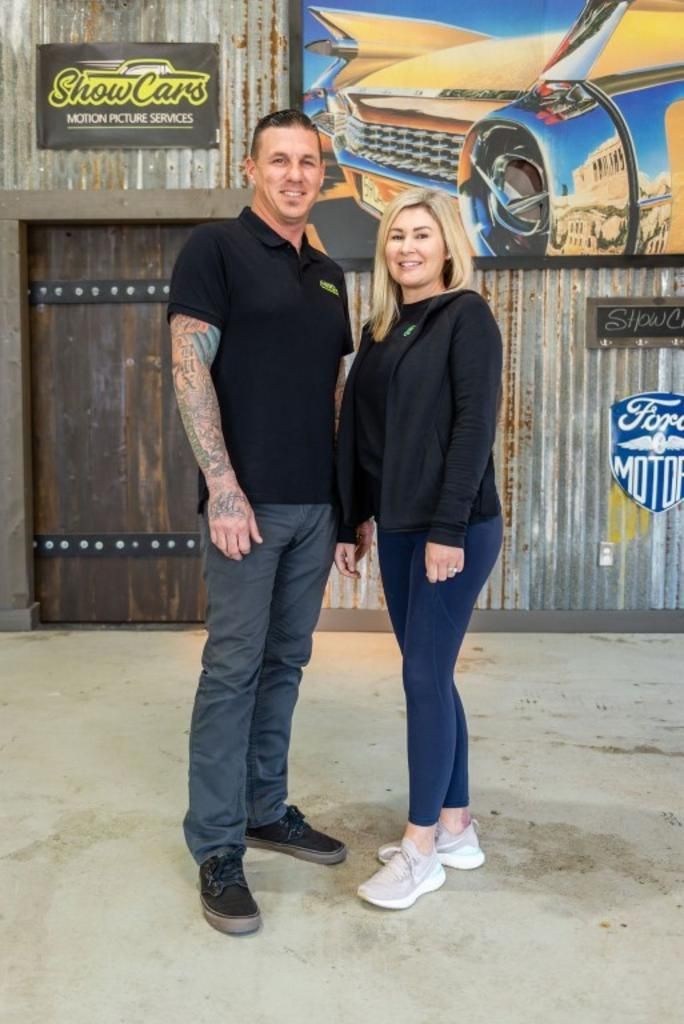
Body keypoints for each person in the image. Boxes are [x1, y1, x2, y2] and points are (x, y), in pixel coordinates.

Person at [168, 109, 353, 936]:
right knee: (233, 668)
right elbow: (187, 367)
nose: (293, 174)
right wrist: (224, 487)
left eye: (307, 162)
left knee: (285, 664)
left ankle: (264, 808)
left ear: (322, 174)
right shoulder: (216, 250)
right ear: (252, 168)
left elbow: (334, 396)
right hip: (250, 507)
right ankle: (215, 845)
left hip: (315, 506)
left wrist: (349, 506)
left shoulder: (330, 273)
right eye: (278, 160)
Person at [335, 187, 503, 910]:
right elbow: (363, 436)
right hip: (399, 526)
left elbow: (473, 428)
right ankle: (458, 825)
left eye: (421, 236)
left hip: (453, 528)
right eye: (397, 236)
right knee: (429, 673)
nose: (406, 247)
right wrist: (353, 520)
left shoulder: (467, 318)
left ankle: (421, 849)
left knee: (422, 679)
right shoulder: (380, 328)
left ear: (446, 248)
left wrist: (447, 528)